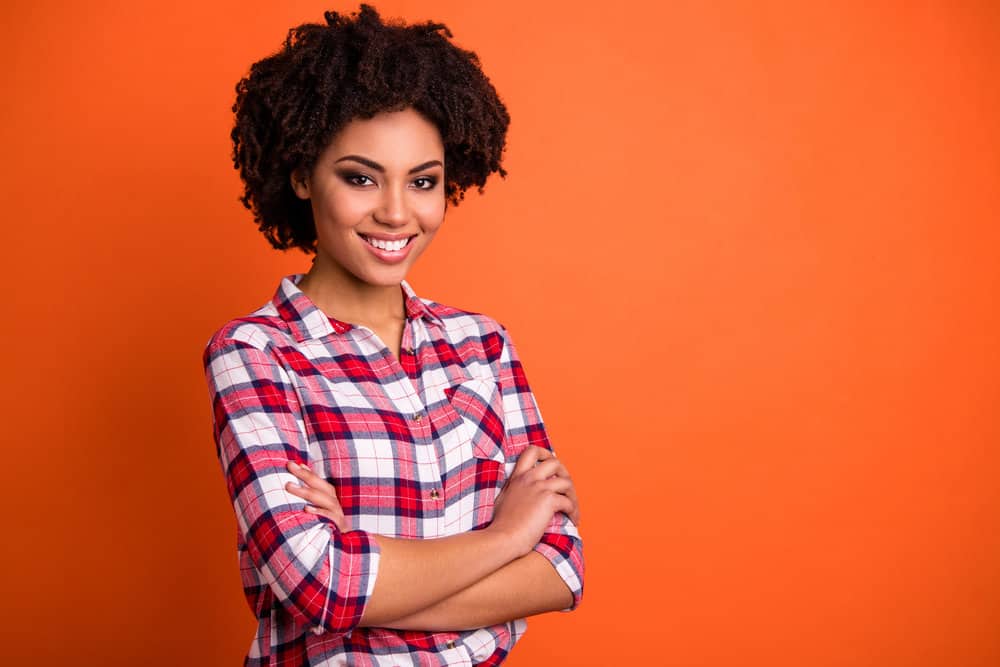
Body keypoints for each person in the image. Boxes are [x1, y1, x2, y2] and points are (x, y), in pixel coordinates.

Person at [203, 5, 584, 665]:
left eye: (423, 181)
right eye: (360, 177)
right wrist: (505, 535)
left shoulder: (483, 345)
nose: (397, 213)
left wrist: (364, 560)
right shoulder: (255, 354)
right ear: (301, 175)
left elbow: (559, 570)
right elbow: (319, 582)